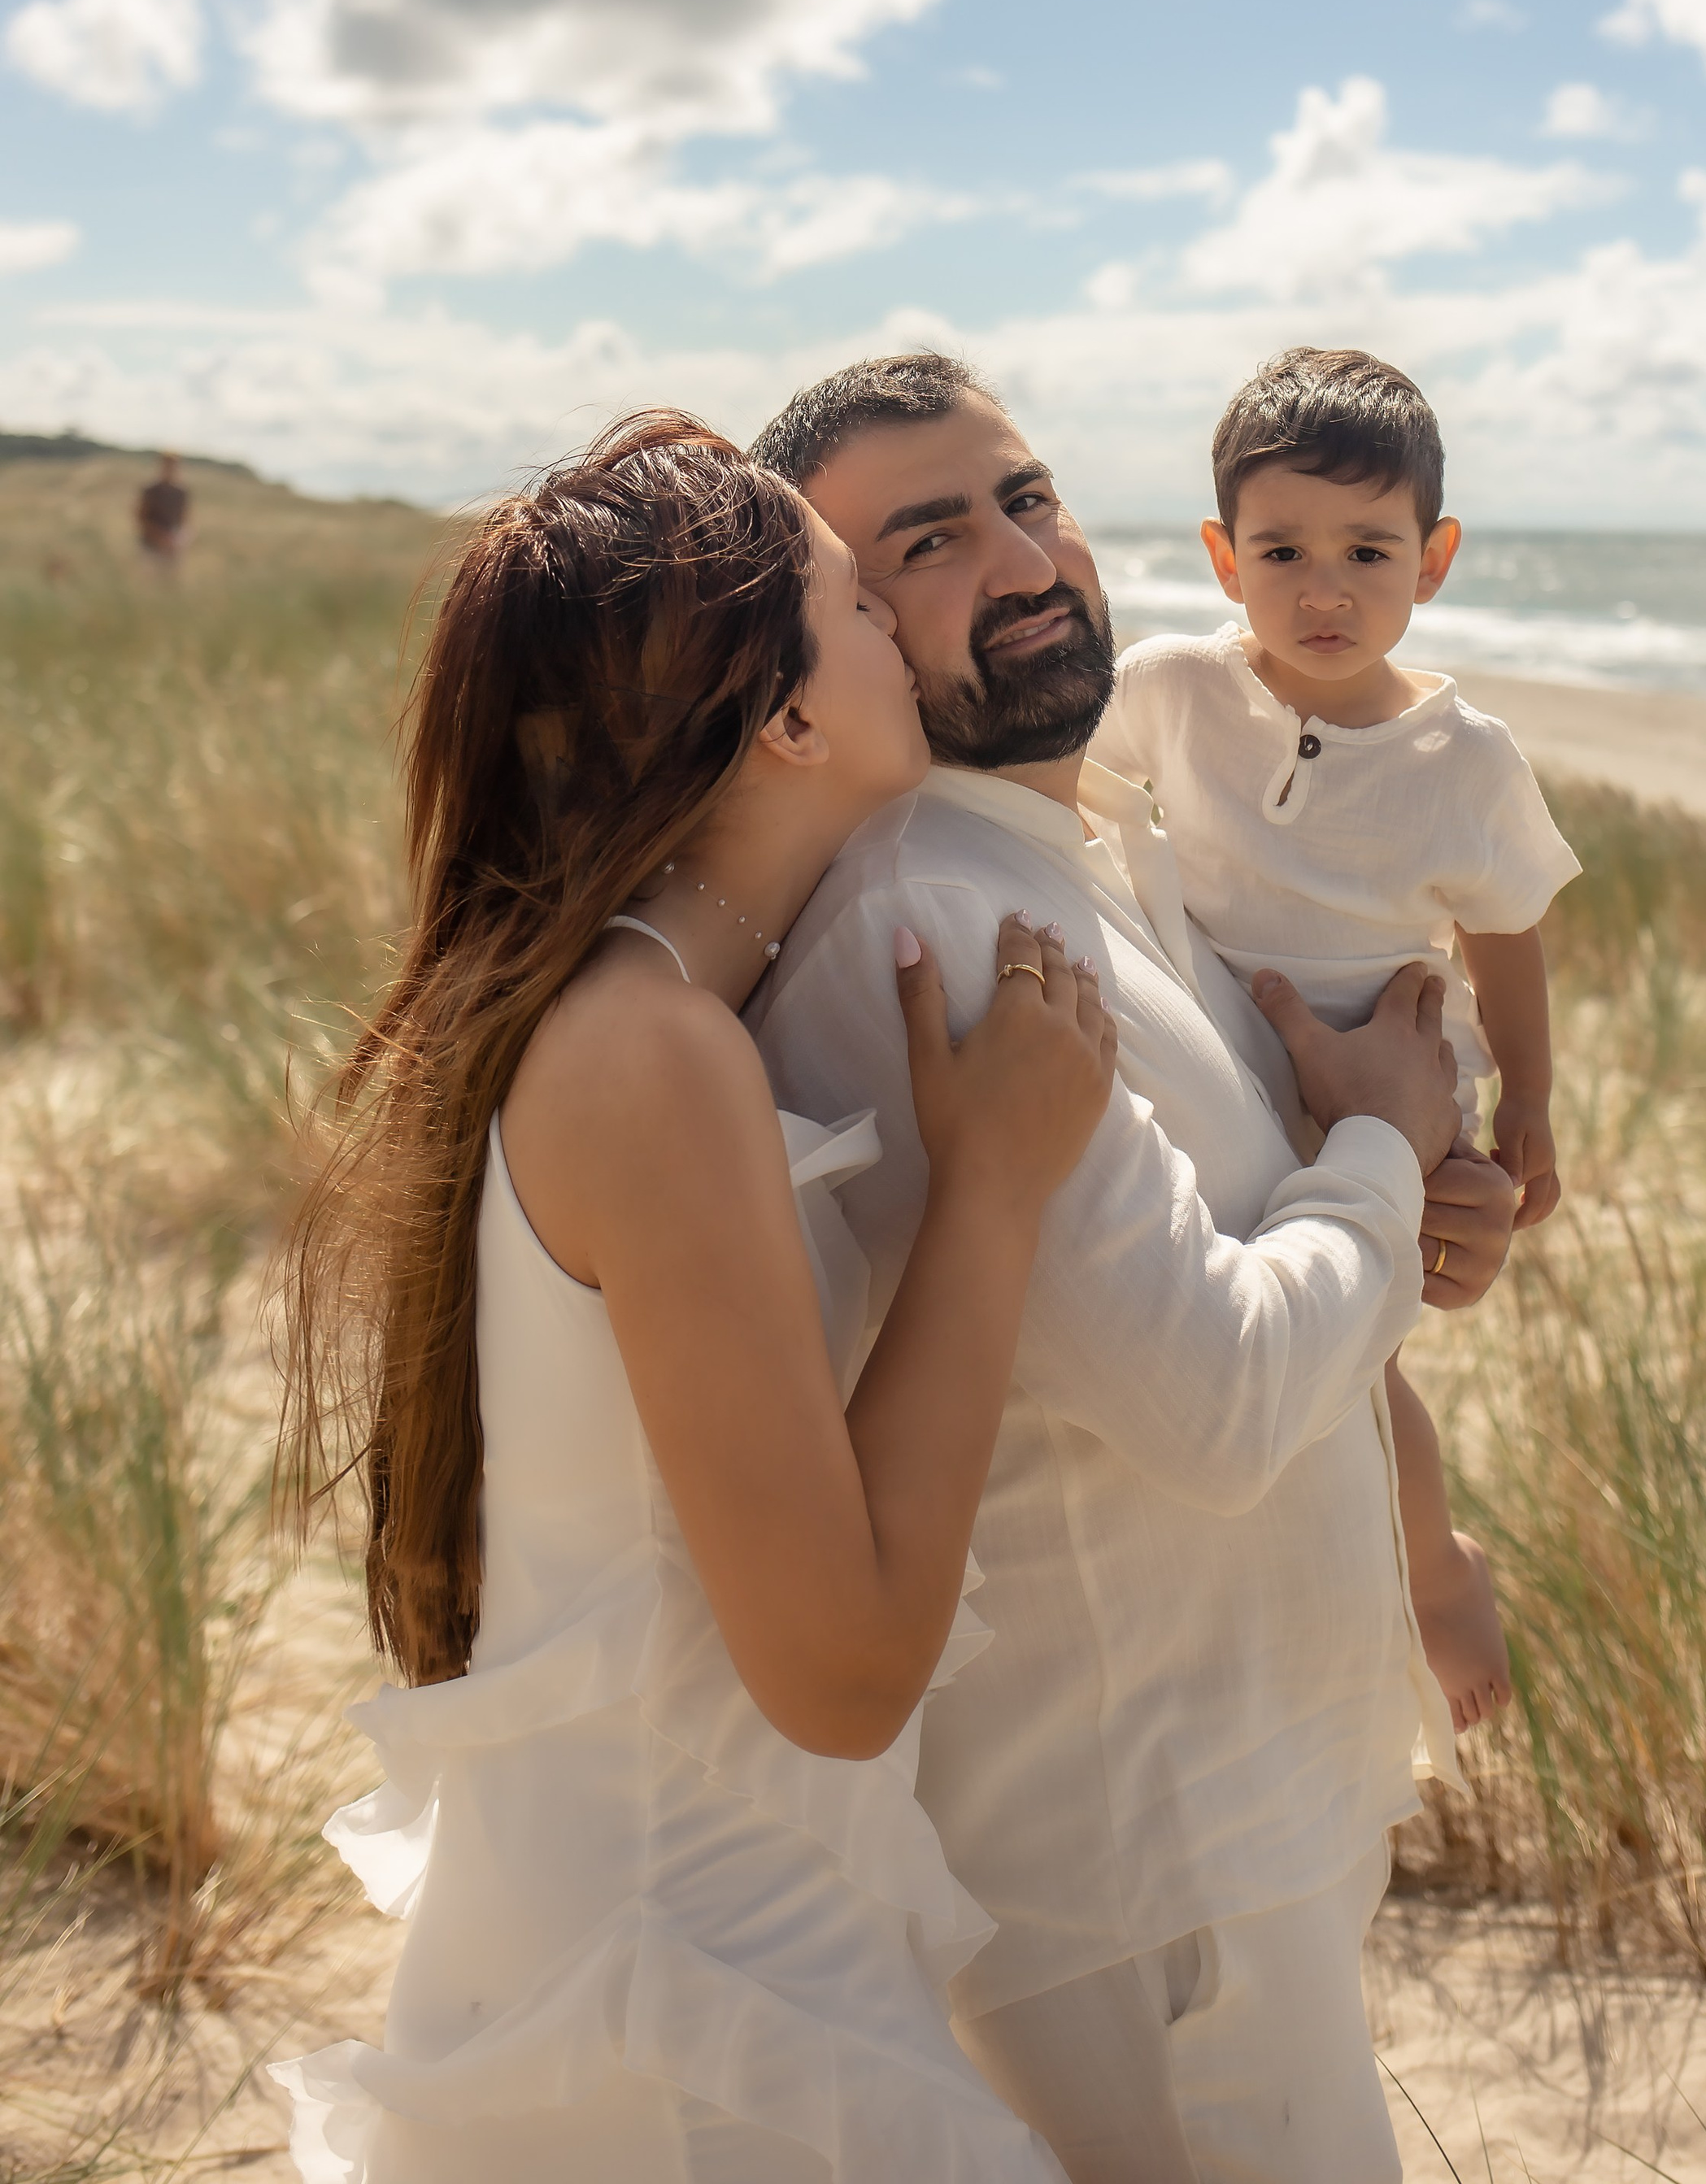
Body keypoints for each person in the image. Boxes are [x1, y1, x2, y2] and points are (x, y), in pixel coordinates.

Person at [272, 409, 1118, 2182]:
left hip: (692, 1932)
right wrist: (991, 1188)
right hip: (698, 2003)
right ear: (789, 716)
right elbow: (838, 1671)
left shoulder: (634, 1013)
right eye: (860, 605)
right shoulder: (650, 1054)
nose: (904, 626)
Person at [748, 355, 1513, 2184]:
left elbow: (1290, 1241)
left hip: (1240, 1800)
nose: (1023, 561)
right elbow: (1222, 1398)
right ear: (831, 626)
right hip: (1132, 1860)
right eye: (926, 541)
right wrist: (1379, 1162)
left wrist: (1407, 1195)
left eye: (1026, 497)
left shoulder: (1096, 853)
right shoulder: (928, 929)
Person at [1092, 347, 1582, 1742]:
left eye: (1367, 551)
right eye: (1283, 550)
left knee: (1365, 1349)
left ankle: (1435, 1570)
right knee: (1250, 1331)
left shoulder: (1462, 758)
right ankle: (1308, 1592)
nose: (1324, 589)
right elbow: (1055, 788)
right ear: (1222, 555)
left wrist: (1531, 1099)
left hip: (1384, 1072)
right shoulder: (1172, 688)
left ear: (1431, 563)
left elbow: (1506, 932)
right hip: (1213, 1051)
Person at [136, 449, 190, 572]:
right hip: (151, 545)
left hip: (173, 546)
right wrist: (160, 537)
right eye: (167, 465)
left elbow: (185, 519)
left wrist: (180, 539)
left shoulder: (181, 492)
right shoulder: (151, 490)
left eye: (173, 466)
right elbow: (141, 518)